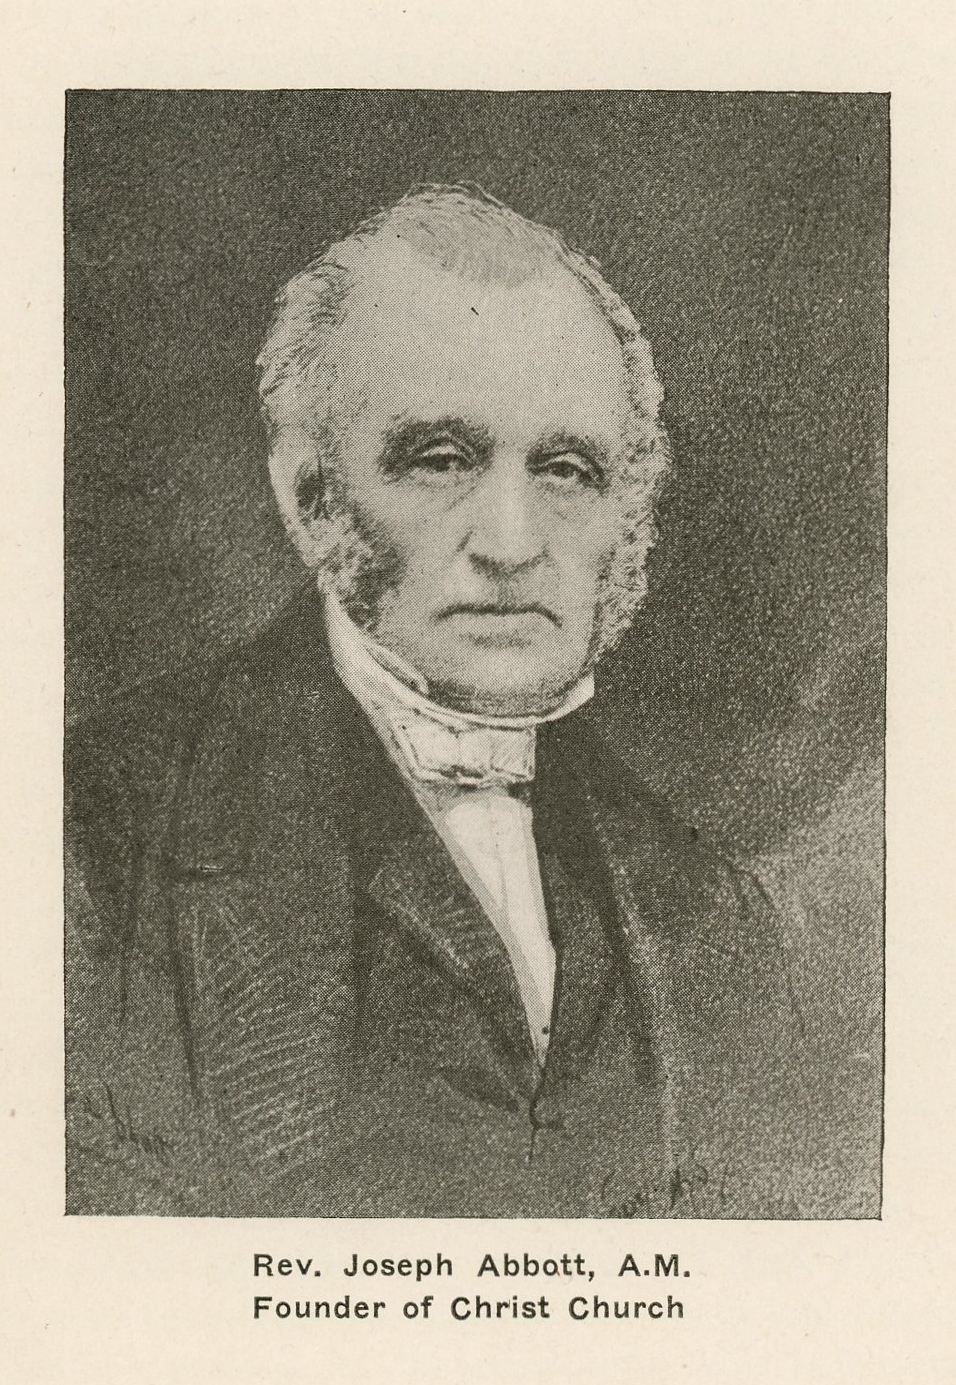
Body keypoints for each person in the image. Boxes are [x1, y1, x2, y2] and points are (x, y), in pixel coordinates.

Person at [65, 186, 869, 1217]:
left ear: (630, 509)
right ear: (311, 493)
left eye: (567, 470)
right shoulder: (92, 839)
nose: (510, 540)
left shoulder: (713, 917)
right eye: (441, 459)